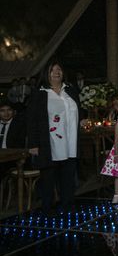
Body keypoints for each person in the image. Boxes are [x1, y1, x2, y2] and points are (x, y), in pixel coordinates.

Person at [27, 60, 81, 213]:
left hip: (70, 142)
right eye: (53, 70)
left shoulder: (70, 90)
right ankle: (47, 210)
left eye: (59, 69)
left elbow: (78, 109)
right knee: (49, 179)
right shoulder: (40, 93)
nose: (57, 72)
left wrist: (82, 119)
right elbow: (31, 120)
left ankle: (67, 206)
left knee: (68, 177)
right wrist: (33, 144)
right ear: (47, 73)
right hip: (49, 143)